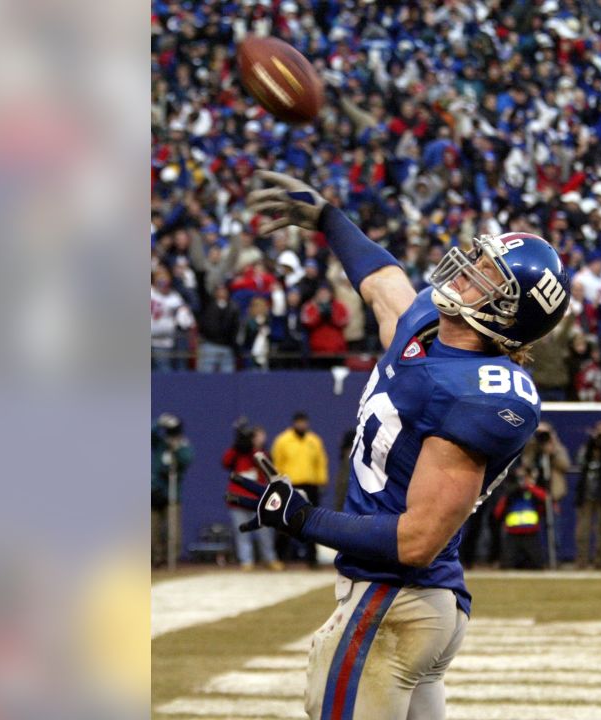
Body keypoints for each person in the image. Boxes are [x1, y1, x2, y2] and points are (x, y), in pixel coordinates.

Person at [228, 170, 571, 719]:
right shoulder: (429, 327)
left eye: (489, 273)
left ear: (506, 314)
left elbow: (417, 541)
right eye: (481, 257)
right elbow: (382, 282)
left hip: (395, 601)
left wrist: (301, 519)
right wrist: (328, 218)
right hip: (418, 606)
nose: (470, 267)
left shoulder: (475, 392)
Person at [270, 411, 329, 568]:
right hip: (290, 485)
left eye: (304, 422)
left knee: (312, 521)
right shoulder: (283, 440)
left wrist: (322, 480)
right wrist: (278, 483)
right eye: (299, 422)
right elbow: (277, 463)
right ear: (294, 423)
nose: (302, 425)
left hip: (310, 486)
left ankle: (312, 559)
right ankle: (281, 557)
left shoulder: (314, 440)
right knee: (285, 520)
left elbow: (320, 462)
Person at [221, 421, 282, 571]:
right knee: (242, 531)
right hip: (238, 499)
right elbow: (225, 461)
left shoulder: (260, 453)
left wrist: (255, 448)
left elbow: (269, 468)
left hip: (258, 499)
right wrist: (238, 445)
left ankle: (270, 558)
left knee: (265, 531)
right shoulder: (235, 453)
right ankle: (246, 560)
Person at [151, 413, 192, 568]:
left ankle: (171, 560)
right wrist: (159, 423)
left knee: (172, 532)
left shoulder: (183, 445)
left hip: (172, 494)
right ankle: (155, 559)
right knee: (152, 531)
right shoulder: (160, 443)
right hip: (155, 493)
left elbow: (187, 460)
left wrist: (177, 449)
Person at [492, 466, 549, 570]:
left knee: (538, 565)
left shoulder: (534, 493)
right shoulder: (510, 494)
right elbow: (497, 513)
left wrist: (529, 487)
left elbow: (545, 499)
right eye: (521, 478)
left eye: (526, 477)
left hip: (531, 535)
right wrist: (512, 491)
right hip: (512, 535)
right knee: (506, 566)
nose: (524, 480)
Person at [573, 420, 601, 570]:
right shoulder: (587, 448)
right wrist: (591, 443)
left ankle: (600, 561)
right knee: (583, 530)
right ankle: (581, 561)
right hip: (587, 494)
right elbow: (580, 461)